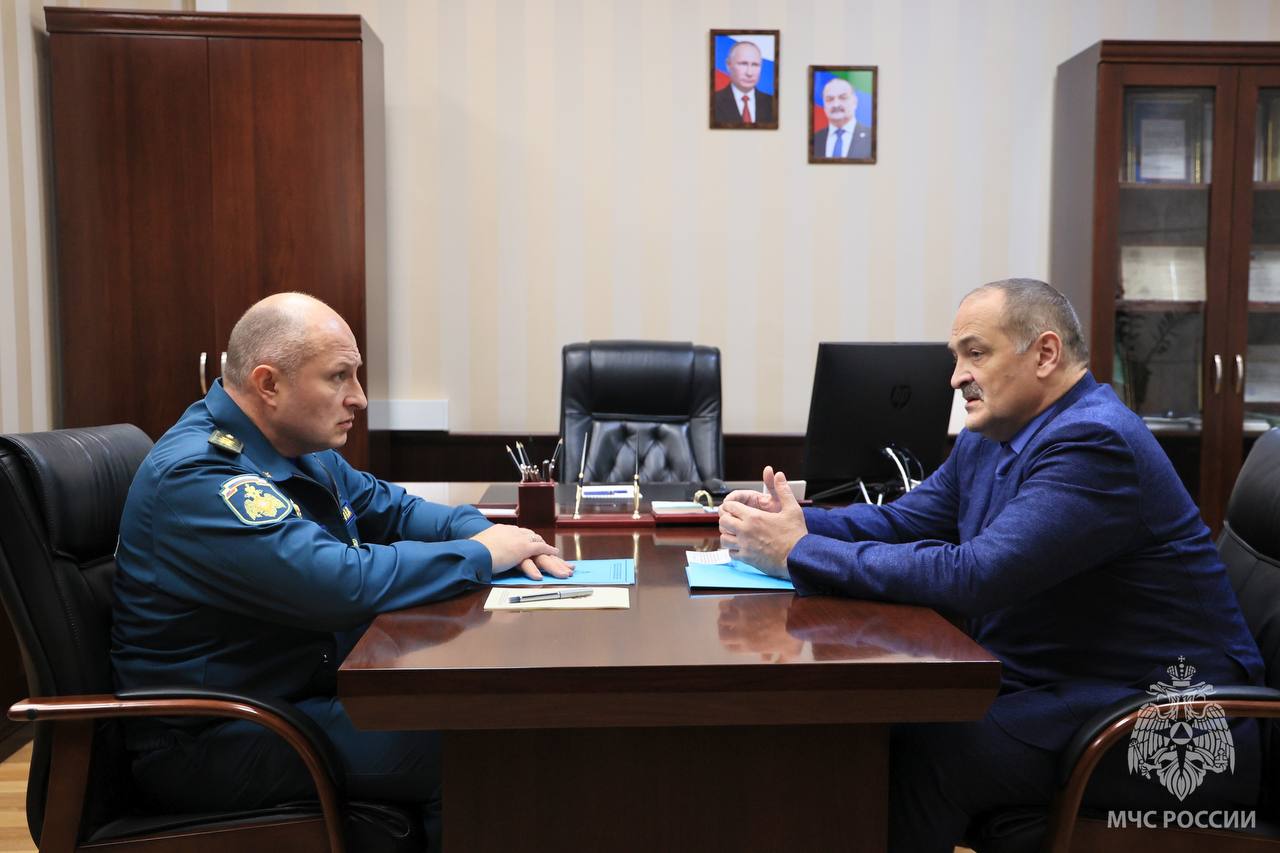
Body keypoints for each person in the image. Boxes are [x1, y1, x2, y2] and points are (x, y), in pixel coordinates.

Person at [718, 278, 1264, 852]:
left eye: (975, 353)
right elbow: (904, 522)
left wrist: (798, 552)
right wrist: (791, 523)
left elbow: (974, 576)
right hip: (1070, 689)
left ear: (1045, 354)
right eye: (956, 358)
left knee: (927, 749)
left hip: (1171, 720)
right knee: (876, 723)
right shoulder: (994, 434)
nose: (956, 377)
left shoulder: (1094, 443)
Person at [112, 292, 573, 848]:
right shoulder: (201, 475)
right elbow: (339, 583)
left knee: (479, 718)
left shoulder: (294, 448)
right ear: (268, 384)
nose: (359, 397)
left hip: (290, 699)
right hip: (216, 735)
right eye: (338, 377)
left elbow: (397, 511)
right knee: (469, 751)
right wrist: (481, 554)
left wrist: (481, 532)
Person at [712, 39, 775, 125]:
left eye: (755, 65)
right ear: (728, 65)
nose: (749, 73)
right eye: (743, 64)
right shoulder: (714, 101)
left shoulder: (772, 103)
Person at [812, 76, 871, 159]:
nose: (836, 104)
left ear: (855, 102)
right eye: (830, 99)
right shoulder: (814, 139)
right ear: (824, 104)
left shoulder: (871, 137)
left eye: (843, 98)